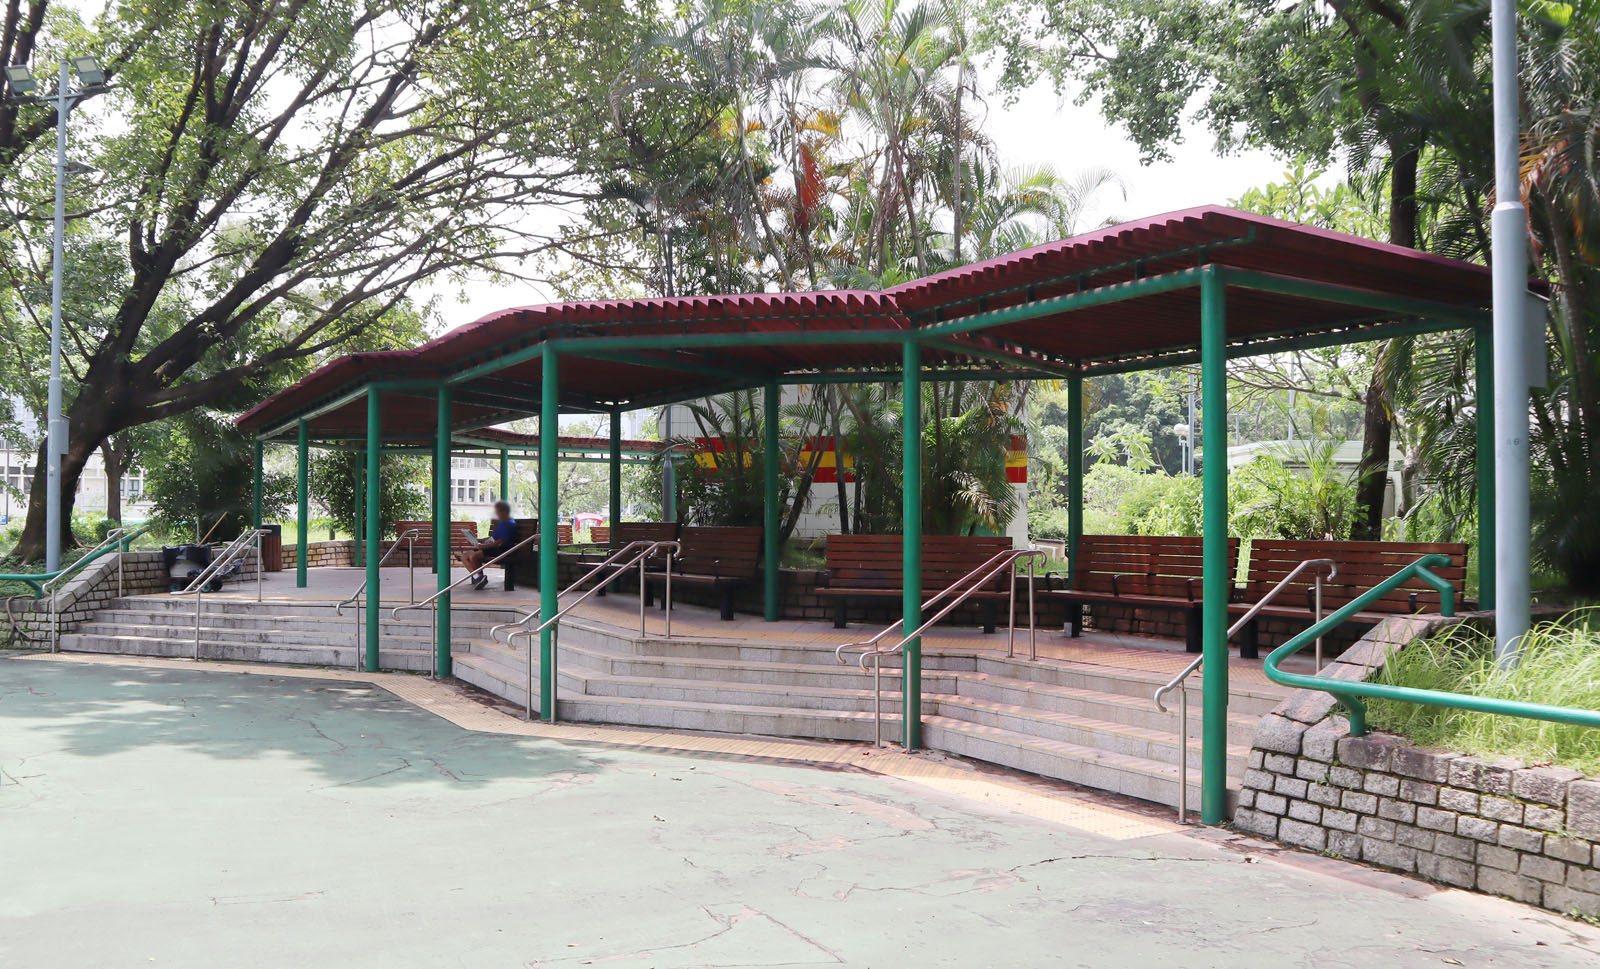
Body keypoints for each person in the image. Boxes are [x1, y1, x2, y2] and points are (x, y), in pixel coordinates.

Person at [462, 500, 519, 591]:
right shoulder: (502, 523)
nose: (496, 514)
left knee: (474, 556)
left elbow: (501, 541)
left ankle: (479, 578)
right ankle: (478, 578)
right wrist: (478, 540)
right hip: (493, 547)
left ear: (504, 511)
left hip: (501, 549)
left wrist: (484, 547)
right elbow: (492, 538)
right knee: (464, 556)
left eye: (497, 511)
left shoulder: (509, 524)